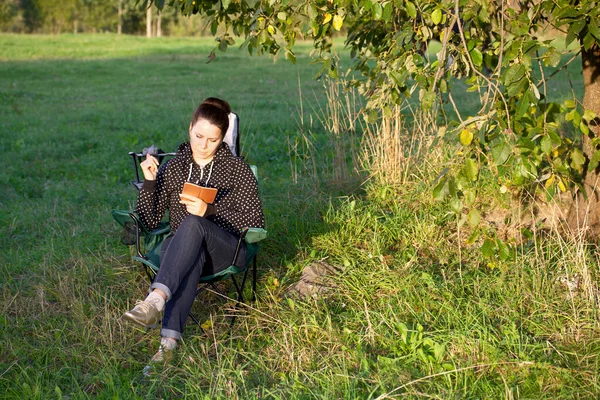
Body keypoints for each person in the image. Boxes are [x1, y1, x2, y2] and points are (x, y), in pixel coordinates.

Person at [123, 97, 265, 370]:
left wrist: (208, 211)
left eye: (212, 140)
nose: (203, 145)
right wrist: (151, 183)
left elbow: (253, 221)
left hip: (227, 250)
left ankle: (155, 300)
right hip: (185, 251)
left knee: (194, 222)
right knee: (187, 250)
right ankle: (167, 348)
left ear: (222, 138)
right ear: (189, 128)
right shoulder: (174, 167)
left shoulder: (237, 169)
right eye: (198, 136)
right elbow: (149, 222)